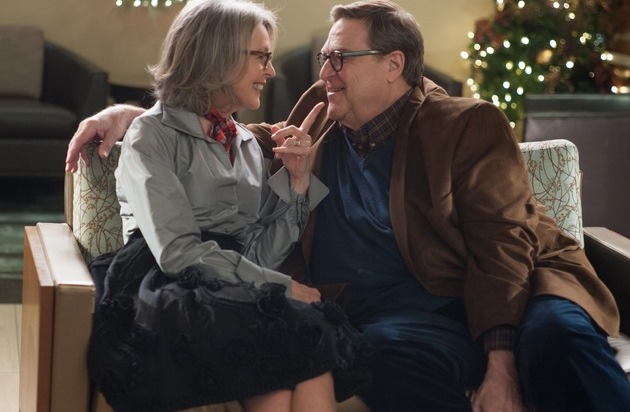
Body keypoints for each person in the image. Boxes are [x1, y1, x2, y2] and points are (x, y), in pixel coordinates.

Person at [67, 1, 630, 411]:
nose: (323, 72)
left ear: (394, 64)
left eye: (340, 58)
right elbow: (230, 138)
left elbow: (503, 246)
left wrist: (500, 363)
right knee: (382, 355)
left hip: (511, 287)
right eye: (324, 57)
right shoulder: (323, 110)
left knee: (557, 338)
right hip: (395, 320)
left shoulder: (463, 124)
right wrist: (136, 117)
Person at [82, 1, 373, 411]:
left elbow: (257, 255)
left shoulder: (248, 144)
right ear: (218, 55)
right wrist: (281, 287)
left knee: (302, 359)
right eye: (262, 57)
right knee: (305, 338)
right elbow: (176, 252)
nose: (271, 72)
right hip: (165, 284)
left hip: (232, 285)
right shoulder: (151, 134)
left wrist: (297, 182)